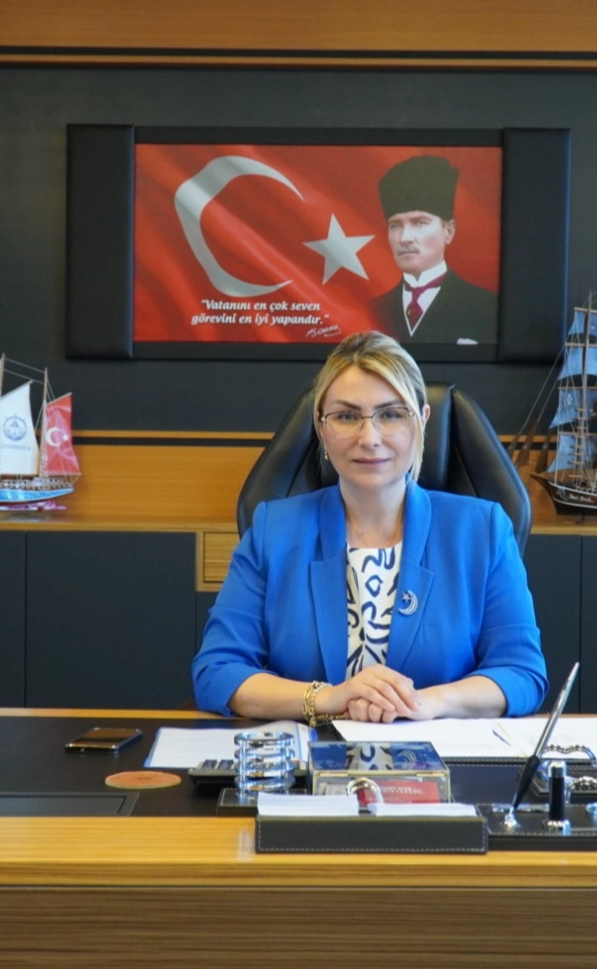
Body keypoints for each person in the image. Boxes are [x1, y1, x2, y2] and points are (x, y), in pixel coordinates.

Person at [192, 331, 547, 723]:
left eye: (391, 414)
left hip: (442, 757)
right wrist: (329, 697)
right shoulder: (272, 531)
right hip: (311, 757)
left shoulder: (482, 531)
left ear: (422, 421)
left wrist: (424, 704)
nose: (369, 438)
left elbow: (521, 674)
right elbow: (217, 672)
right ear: (321, 427)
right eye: (346, 416)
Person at [367, 155, 497, 346]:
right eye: (395, 225)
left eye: (419, 223)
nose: (404, 238)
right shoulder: (374, 311)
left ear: (449, 231)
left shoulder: (487, 307)